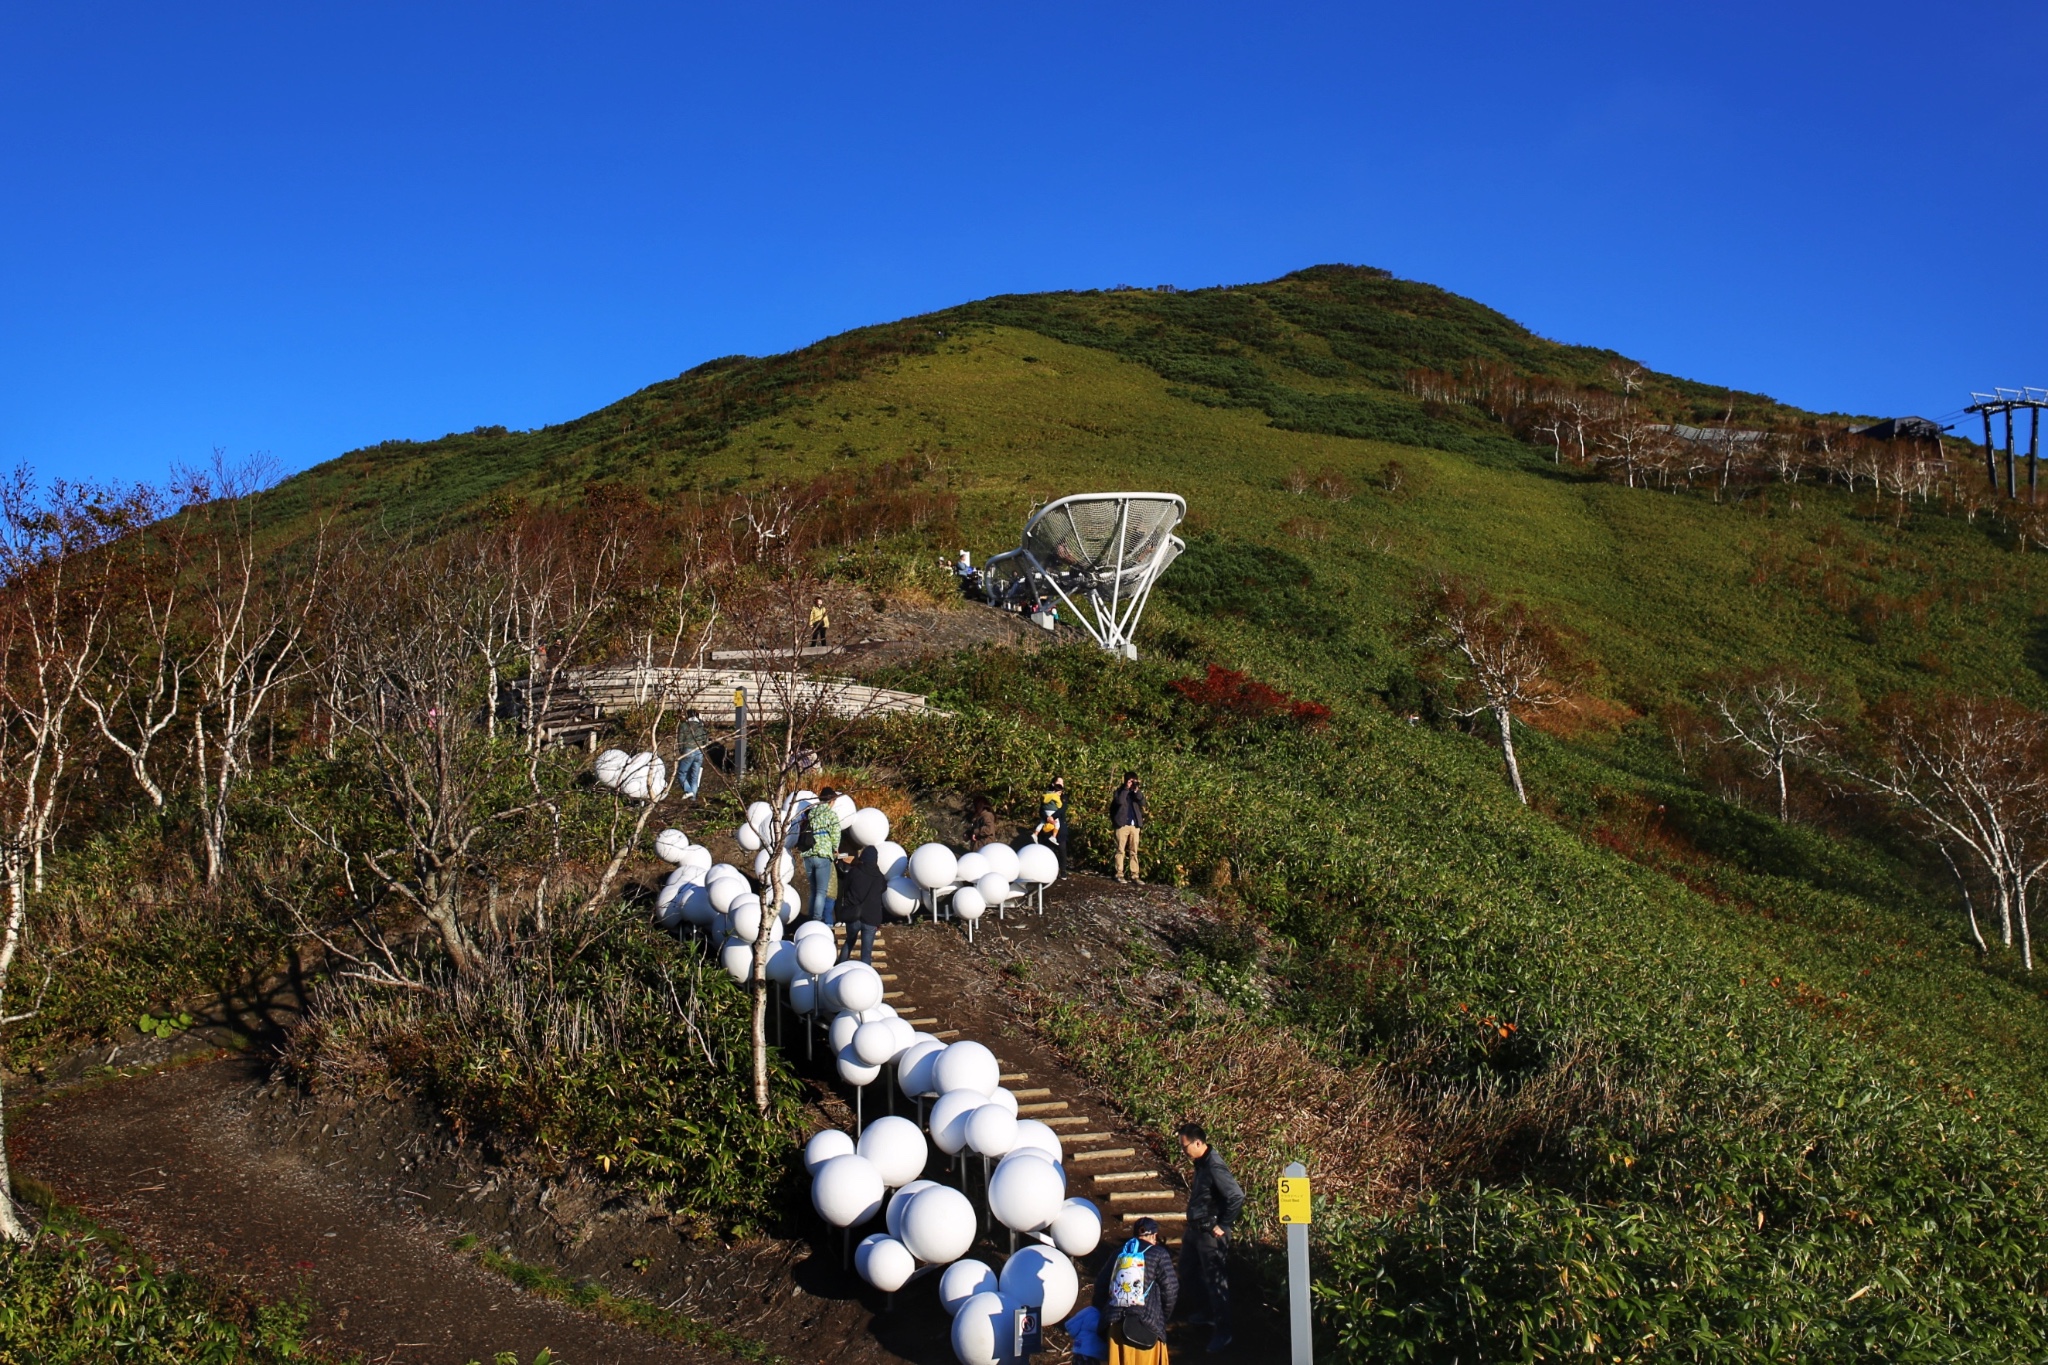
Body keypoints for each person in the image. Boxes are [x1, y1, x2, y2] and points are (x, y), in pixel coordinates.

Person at [1175, 1122, 1244, 1353]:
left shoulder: (1214, 1166)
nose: (1184, 1152)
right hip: (1196, 1230)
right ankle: (1206, 1312)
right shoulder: (1201, 1163)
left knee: (1216, 1281)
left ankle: (1224, 1332)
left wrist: (1223, 1224)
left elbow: (1236, 1195)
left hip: (1211, 1234)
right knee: (1186, 1269)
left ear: (1198, 1142)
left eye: (1185, 1147)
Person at [1091, 1215, 1178, 1364]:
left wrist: (1104, 1313)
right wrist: (1161, 1317)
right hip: (1145, 1326)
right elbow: (1170, 1289)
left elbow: (1101, 1285)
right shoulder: (1159, 1254)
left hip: (1114, 1325)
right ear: (1154, 1235)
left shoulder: (1119, 1254)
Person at [836, 841, 887, 964]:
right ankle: (866, 976)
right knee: (866, 952)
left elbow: (845, 887)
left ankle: (840, 967)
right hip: (871, 918)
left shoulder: (854, 872)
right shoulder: (879, 876)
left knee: (849, 942)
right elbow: (883, 888)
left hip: (854, 914)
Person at [800, 788, 843, 926]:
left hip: (808, 855)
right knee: (821, 891)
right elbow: (836, 835)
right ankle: (817, 920)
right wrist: (835, 848)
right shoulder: (831, 815)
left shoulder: (811, 813)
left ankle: (810, 918)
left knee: (813, 890)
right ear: (831, 800)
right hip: (823, 855)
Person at [1110, 772, 1146, 884]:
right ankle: (1119, 873)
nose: (1133, 783)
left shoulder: (1135, 793)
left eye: (1134, 781)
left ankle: (1135, 875)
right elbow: (1119, 801)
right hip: (1122, 825)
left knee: (1134, 851)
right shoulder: (1120, 791)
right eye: (1131, 781)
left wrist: (1136, 790)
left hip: (1134, 825)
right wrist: (1126, 788)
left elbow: (1143, 802)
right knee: (1120, 850)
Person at [675, 709, 708, 799]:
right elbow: (706, 740)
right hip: (700, 752)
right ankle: (693, 800)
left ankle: (688, 790)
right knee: (694, 777)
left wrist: (682, 752)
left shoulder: (684, 725)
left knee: (681, 773)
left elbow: (680, 740)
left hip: (688, 751)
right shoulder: (701, 726)